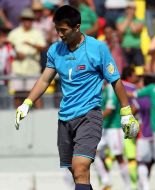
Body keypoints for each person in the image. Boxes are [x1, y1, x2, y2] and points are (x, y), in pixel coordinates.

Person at [14, 5, 139, 190]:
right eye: (57, 30)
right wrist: (27, 103)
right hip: (65, 117)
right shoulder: (55, 50)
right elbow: (44, 79)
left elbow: (115, 80)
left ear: (77, 27)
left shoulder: (97, 48)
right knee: (75, 172)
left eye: (63, 30)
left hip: (89, 115)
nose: (60, 35)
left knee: (80, 167)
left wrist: (126, 112)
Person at [8, 8, 46, 109]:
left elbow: (43, 47)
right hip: (18, 69)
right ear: (22, 20)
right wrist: (16, 55)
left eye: (29, 19)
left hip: (33, 69)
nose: (27, 21)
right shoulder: (14, 33)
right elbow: (8, 47)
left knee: (35, 95)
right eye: (25, 19)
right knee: (18, 95)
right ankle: (16, 117)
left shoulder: (37, 33)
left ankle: (41, 117)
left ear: (32, 20)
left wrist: (31, 44)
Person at [116, 1, 145, 66]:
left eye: (132, 8)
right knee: (126, 69)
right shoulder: (120, 20)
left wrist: (129, 19)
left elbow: (134, 30)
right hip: (124, 48)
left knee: (140, 68)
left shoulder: (140, 21)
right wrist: (128, 19)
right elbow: (121, 30)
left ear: (135, 10)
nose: (130, 10)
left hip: (136, 48)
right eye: (128, 8)